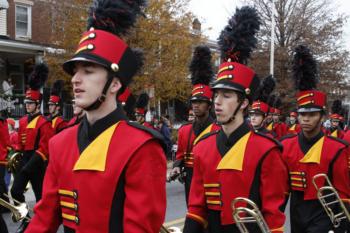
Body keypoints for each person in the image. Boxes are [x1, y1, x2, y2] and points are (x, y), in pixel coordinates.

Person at [26, 0, 166, 232]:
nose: (75, 80)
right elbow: (44, 220)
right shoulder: (59, 142)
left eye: (88, 71)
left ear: (115, 84)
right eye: (75, 72)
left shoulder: (142, 147)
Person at [183, 7, 288, 233]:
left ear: (243, 103)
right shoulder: (202, 147)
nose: (217, 102)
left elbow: (273, 217)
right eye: (216, 94)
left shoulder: (267, 150)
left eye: (227, 95)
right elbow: (196, 208)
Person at [281, 45, 350, 233]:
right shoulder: (286, 145)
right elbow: (281, 189)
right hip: (296, 212)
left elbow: (343, 192)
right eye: (302, 114)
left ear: (322, 117)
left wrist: (342, 227)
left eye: (311, 115)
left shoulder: (337, 148)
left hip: (324, 215)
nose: (305, 119)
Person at [170, 45, 219, 205]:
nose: (196, 105)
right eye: (194, 102)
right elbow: (181, 155)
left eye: (200, 102)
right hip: (190, 178)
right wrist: (177, 166)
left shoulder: (219, 130)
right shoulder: (184, 130)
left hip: (212, 179)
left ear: (209, 105)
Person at [10, 63, 54, 232]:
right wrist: (15, 159)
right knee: (15, 191)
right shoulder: (21, 122)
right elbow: (20, 145)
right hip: (25, 161)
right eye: (26, 102)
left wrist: (29, 166)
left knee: (41, 198)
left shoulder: (44, 123)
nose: (27, 105)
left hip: (38, 163)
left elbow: (44, 148)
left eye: (30, 103)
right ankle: (26, 218)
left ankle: (44, 225)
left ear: (37, 104)